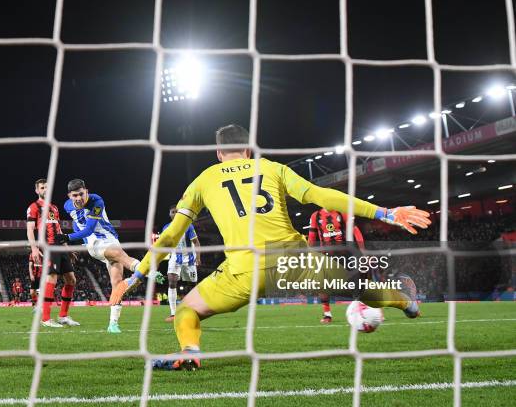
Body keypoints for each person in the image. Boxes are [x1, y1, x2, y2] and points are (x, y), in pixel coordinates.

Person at [110, 124, 431, 370]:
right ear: (248, 149)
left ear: (219, 153)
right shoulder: (272, 169)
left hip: (241, 273)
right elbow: (321, 197)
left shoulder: (204, 179)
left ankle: (190, 352)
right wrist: (385, 213)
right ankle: (406, 303)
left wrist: (135, 277)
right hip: (294, 263)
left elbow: (168, 237)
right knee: (360, 287)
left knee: (187, 310)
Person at [55, 179, 158, 333]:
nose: (79, 198)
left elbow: (88, 228)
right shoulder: (67, 206)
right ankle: (148, 271)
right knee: (119, 254)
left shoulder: (97, 201)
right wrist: (81, 240)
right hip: (94, 243)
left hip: (110, 239)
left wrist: (68, 237)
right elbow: (79, 224)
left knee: (117, 284)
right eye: (75, 195)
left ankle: (113, 324)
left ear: (86, 191)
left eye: (81, 194)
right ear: (69, 195)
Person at [26, 178, 79, 328]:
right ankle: (46, 318)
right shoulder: (34, 207)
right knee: (52, 279)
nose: (45, 190)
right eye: (42, 188)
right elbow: (30, 229)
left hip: (60, 246)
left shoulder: (54, 208)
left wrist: (67, 248)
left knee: (71, 279)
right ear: (37, 190)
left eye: (47, 187)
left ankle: (63, 316)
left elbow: (59, 229)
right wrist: (34, 248)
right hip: (48, 246)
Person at [308, 208, 365, 324]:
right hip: (327, 255)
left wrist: (362, 251)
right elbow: (312, 237)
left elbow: (355, 231)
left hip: (345, 253)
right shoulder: (315, 215)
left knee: (357, 282)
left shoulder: (342, 212)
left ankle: (364, 309)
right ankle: (327, 314)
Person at [163, 204, 201, 322]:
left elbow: (196, 243)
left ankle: (193, 310)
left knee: (192, 285)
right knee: (172, 281)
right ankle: (173, 313)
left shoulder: (188, 227)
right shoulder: (166, 228)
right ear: (169, 214)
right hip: (175, 257)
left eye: (176, 212)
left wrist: (198, 257)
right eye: (172, 212)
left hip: (189, 259)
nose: (174, 214)